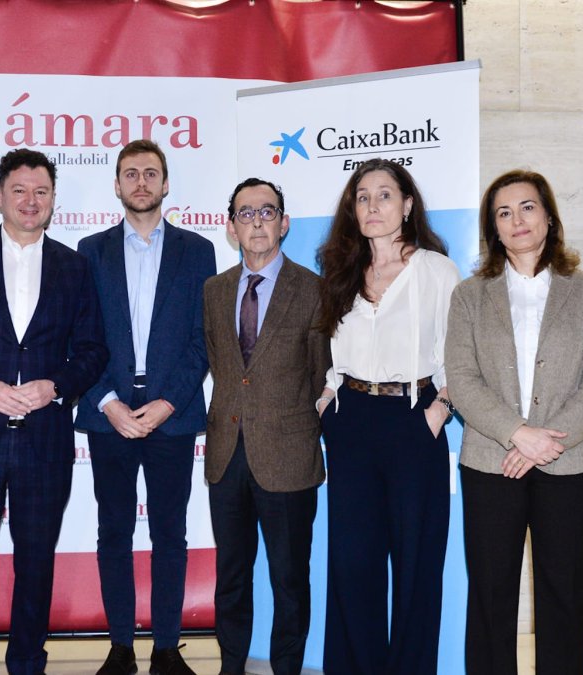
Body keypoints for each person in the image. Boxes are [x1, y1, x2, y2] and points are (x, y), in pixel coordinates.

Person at [0, 149, 109, 675]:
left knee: (36, 565)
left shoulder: (75, 267)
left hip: (44, 442)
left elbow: (93, 350)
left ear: (54, 199)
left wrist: (56, 386)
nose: (31, 202)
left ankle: (28, 663)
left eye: (41, 192)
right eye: (20, 191)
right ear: (0, 194)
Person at [445, 169, 583, 675]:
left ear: (548, 216)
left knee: (564, 593)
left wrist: (546, 442)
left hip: (568, 463)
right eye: (503, 212)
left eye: (526, 207)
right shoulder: (469, 296)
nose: (516, 219)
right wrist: (518, 434)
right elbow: (462, 376)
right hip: (489, 461)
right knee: (492, 595)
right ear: (493, 229)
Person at [76, 140, 216, 675]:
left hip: (171, 413)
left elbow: (203, 341)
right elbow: (78, 337)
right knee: (113, 529)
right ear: (116, 185)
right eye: (130, 174)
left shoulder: (196, 251)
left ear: (165, 185)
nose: (140, 182)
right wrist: (108, 402)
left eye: (150, 173)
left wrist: (167, 402)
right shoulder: (88, 251)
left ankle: (164, 647)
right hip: (107, 410)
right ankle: (119, 646)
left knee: (169, 533)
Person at [315, 158, 460, 674]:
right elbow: (334, 348)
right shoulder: (340, 271)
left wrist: (439, 411)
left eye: (384, 195)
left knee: (418, 564)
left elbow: (460, 355)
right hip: (352, 422)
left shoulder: (437, 271)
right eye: (362, 196)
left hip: (413, 420)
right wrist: (329, 396)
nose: (372, 205)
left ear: (407, 205)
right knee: (354, 565)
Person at [203, 178, 331, 675]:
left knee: (289, 580)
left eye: (267, 211)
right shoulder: (213, 291)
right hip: (226, 455)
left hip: (289, 458)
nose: (257, 221)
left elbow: (323, 373)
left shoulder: (315, 290)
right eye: (246, 213)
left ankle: (287, 669)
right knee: (231, 577)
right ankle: (230, 666)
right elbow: (221, 364)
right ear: (230, 225)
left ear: (285, 221)